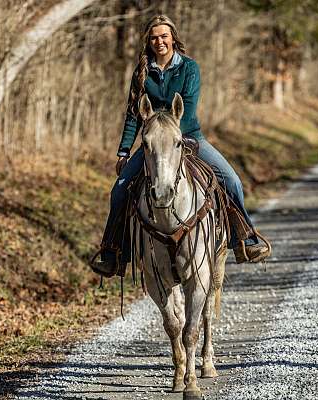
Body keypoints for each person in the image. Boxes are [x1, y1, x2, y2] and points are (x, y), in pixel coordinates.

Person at [90, 15, 269, 278]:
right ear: (148, 42)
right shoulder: (141, 72)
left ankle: (245, 241)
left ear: (173, 37)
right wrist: (124, 151)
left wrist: (173, 136)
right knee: (119, 191)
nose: (159, 41)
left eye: (164, 36)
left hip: (189, 137)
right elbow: (132, 114)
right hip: (153, 142)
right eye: (154, 37)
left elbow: (187, 106)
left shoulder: (189, 68)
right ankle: (114, 253)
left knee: (232, 181)